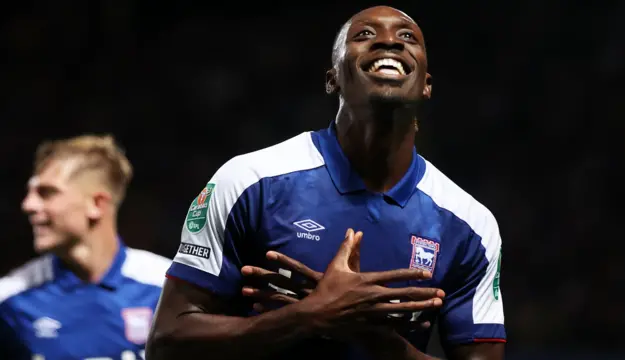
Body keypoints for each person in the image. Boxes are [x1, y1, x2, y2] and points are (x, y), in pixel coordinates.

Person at [147, 5, 505, 360]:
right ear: (332, 78)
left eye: (407, 37)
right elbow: (166, 344)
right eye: (365, 35)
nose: (389, 43)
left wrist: (373, 335)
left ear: (426, 84)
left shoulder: (471, 225)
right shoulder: (249, 181)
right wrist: (308, 316)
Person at [0, 135, 172, 360]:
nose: (28, 205)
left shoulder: (168, 289)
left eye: (47, 192)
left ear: (96, 204)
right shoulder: (10, 301)